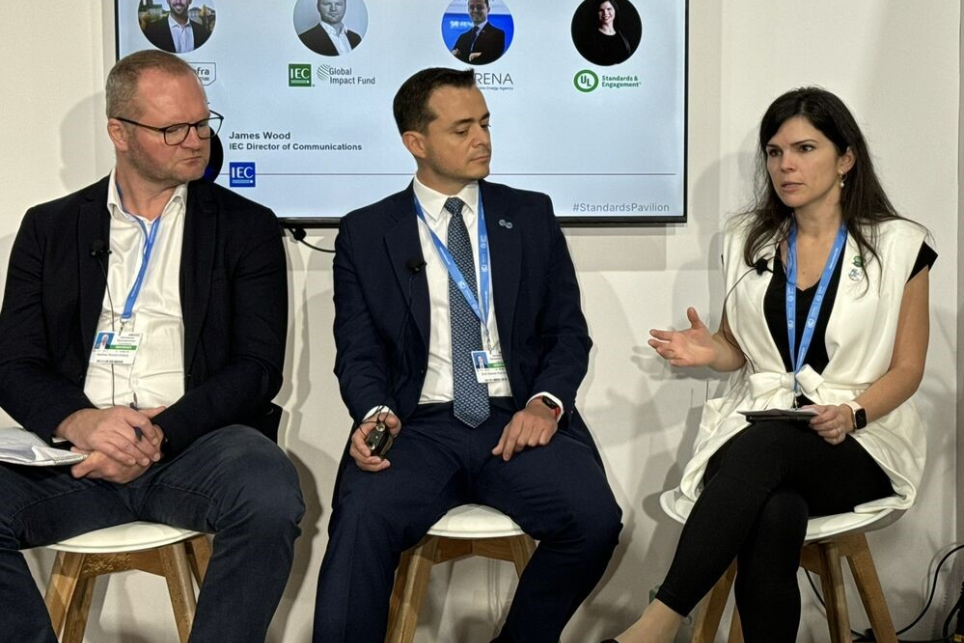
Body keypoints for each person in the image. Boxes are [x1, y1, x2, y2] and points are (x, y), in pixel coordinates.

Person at [599, 87, 934, 643]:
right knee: (776, 509)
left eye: (804, 148)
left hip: (858, 439)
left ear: (846, 158)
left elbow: (908, 368)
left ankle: (658, 622)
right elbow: (742, 348)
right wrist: (713, 353)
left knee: (768, 448)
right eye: (775, 153)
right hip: (763, 423)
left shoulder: (900, 244)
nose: (786, 165)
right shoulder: (747, 238)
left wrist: (852, 411)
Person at [0, 50, 305, 643]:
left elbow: (257, 367)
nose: (196, 141)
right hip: (74, 456)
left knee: (269, 494)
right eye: (173, 129)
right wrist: (83, 423)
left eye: (203, 123)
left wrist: (158, 432)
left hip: (195, 445)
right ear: (119, 132)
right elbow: (13, 363)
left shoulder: (247, 226)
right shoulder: (49, 228)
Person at [313, 67, 622, 643]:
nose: (482, 138)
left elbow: (567, 332)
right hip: (418, 427)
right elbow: (356, 350)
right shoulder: (366, 231)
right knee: (359, 521)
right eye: (462, 129)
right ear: (416, 142)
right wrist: (373, 412)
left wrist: (547, 404)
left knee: (594, 520)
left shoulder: (529, 216)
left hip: (515, 416)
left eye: (484, 123)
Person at [574, 0, 633, 66]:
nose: (605, 13)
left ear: (615, 10)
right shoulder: (589, 38)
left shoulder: (622, 36)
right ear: (597, 13)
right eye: (601, 10)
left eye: (609, 9)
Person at [143, 0, 212, 54]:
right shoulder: (152, 30)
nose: (178, 1)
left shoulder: (203, 31)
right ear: (167, 0)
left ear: (190, 0)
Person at [450, 0, 506, 65]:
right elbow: (454, 57)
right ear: (468, 10)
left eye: (479, 7)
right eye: (472, 7)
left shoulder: (498, 34)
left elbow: (494, 56)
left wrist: (480, 55)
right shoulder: (463, 37)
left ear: (488, 10)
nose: (475, 10)